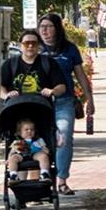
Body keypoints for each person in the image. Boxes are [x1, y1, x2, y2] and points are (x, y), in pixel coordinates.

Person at [36, 12, 89, 195]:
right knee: (35, 140)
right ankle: (38, 182)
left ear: (57, 28)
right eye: (42, 27)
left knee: (64, 138)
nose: (45, 30)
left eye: (49, 26)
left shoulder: (69, 49)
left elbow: (80, 75)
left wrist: (89, 98)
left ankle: (61, 180)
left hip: (64, 100)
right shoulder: (35, 48)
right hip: (39, 102)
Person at [0, 31, 66, 103]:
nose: (30, 46)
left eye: (34, 43)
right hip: (14, 108)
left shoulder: (49, 63)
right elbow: (0, 86)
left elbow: (61, 86)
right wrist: (6, 95)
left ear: (38, 46)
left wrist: (53, 91)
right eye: (26, 43)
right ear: (21, 46)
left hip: (42, 108)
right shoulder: (10, 63)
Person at [5, 116, 48, 186]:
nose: (29, 131)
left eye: (32, 129)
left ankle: (44, 173)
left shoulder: (39, 141)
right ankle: (13, 175)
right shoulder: (18, 142)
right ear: (20, 132)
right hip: (21, 155)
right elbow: (12, 151)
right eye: (26, 129)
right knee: (13, 158)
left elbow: (45, 148)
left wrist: (45, 150)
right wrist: (8, 159)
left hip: (35, 154)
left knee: (43, 156)